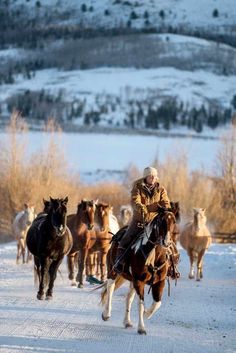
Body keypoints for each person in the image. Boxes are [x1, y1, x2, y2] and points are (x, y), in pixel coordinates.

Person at [113, 166, 171, 273]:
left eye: (154, 176)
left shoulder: (161, 189)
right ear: (145, 177)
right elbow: (135, 202)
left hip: (154, 221)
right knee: (126, 239)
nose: (153, 178)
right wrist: (141, 207)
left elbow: (166, 202)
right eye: (150, 176)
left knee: (167, 238)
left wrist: (165, 208)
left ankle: (171, 265)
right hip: (139, 221)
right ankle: (119, 262)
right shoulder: (137, 188)